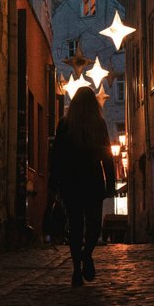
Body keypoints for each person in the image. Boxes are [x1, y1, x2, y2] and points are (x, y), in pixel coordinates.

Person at [48, 85, 115, 287]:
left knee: (75, 227)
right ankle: (87, 255)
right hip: (92, 181)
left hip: (71, 183)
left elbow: (56, 156)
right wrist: (110, 182)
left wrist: (54, 182)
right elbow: (107, 156)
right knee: (94, 226)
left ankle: (77, 269)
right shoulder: (99, 124)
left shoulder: (65, 124)